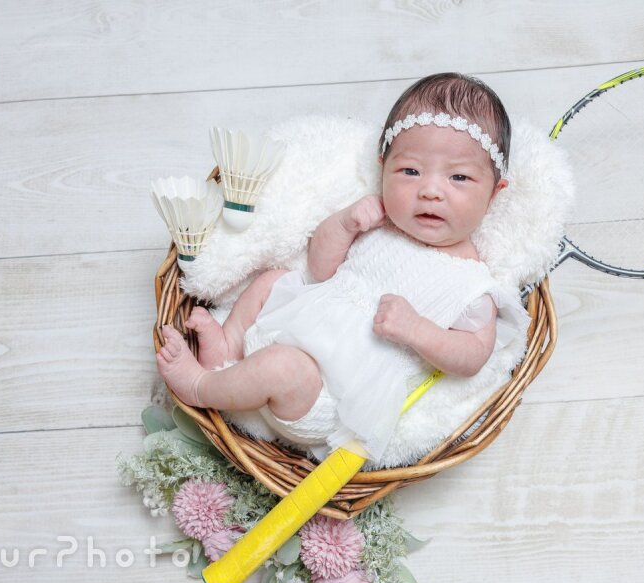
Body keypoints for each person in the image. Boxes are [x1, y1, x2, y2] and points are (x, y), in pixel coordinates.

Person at [157, 73, 529, 463]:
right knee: (273, 280)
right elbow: (319, 269)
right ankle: (229, 345)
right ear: (383, 167)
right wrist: (345, 223)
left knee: (282, 368)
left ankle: (201, 387)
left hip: (326, 395)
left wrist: (417, 330)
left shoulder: (473, 284)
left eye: (459, 177)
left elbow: (472, 356)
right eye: (411, 171)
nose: (431, 191)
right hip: (291, 326)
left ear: (494, 193)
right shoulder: (380, 223)